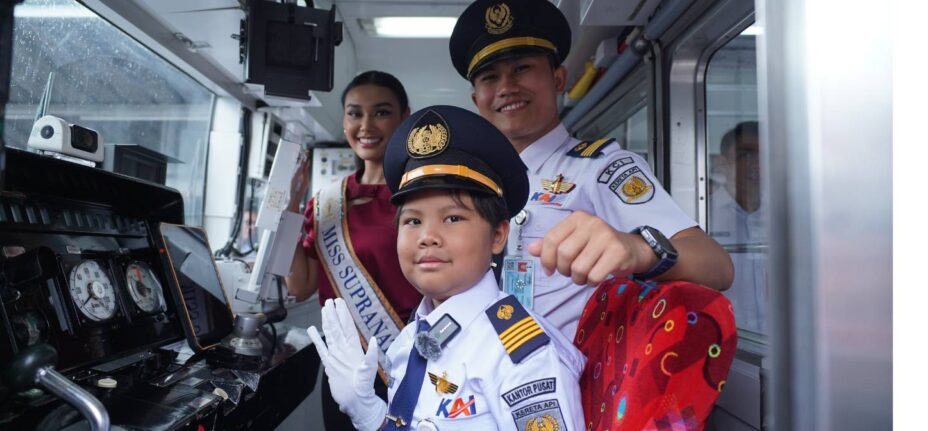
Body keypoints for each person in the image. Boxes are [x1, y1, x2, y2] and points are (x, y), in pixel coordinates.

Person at [448, 0, 735, 339]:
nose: (507, 87)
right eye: (490, 77)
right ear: (476, 99)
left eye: (522, 68)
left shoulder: (602, 168)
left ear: (558, 78)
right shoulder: (475, 184)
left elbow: (716, 265)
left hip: (570, 380)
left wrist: (638, 250)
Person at [307, 105, 585, 431]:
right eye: (412, 221)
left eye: (453, 218)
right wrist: (370, 414)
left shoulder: (523, 358)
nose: (427, 237)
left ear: (498, 235)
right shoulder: (409, 341)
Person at [285, 70, 422, 430]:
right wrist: (289, 209)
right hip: (345, 364)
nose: (366, 125)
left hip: (411, 357)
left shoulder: (423, 195)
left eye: (380, 112)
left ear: (404, 118)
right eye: (354, 113)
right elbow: (301, 286)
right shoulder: (328, 202)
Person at [709, 121, 767, 332]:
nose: (757, 164)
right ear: (724, 163)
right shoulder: (701, 216)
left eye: (764, 155)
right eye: (746, 155)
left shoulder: (784, 216)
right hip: (722, 344)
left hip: (778, 344)